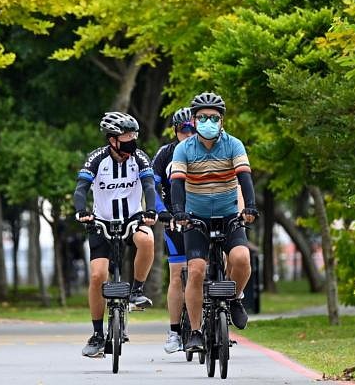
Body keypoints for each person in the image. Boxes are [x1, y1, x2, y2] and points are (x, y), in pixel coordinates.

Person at [170, 92, 259, 352]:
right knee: (196, 270)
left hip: (229, 213)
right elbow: (177, 183)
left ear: (222, 121)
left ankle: (234, 298)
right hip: (196, 217)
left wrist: (250, 207)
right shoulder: (183, 148)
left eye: (213, 117)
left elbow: (245, 178)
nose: (208, 121)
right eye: (202, 117)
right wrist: (178, 211)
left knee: (241, 259)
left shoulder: (234, 145)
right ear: (194, 121)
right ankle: (196, 332)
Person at [73, 111, 158, 358]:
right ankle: (98, 334)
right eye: (127, 135)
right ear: (113, 139)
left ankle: (137, 290)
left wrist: (150, 210)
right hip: (102, 220)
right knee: (98, 275)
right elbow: (80, 189)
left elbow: (149, 185)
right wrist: (81, 211)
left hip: (132, 217)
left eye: (134, 134)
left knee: (146, 239)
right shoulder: (96, 159)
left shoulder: (140, 157)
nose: (132, 139)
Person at [152, 107, 195, 353]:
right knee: (177, 272)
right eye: (182, 130)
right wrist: (161, 212)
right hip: (174, 219)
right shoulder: (165, 154)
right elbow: (152, 186)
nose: (187, 134)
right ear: (175, 131)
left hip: (203, 215)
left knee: (216, 261)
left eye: (192, 129)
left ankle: (218, 316)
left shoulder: (207, 152)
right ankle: (175, 331)